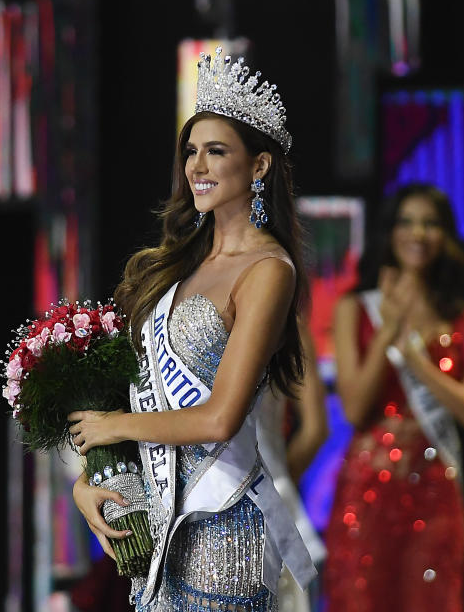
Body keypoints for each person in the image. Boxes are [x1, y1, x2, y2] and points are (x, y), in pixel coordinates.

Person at [67, 48, 317, 611]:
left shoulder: (268, 271)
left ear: (259, 166)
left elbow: (220, 417)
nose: (197, 166)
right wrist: (90, 480)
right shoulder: (173, 265)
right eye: (191, 152)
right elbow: (131, 388)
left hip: (222, 531)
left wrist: (113, 426)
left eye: (216, 151)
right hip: (156, 528)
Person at [323, 184, 464, 611]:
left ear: (446, 236)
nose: (418, 233)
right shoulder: (355, 309)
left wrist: (416, 358)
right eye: (406, 222)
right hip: (366, 493)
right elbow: (356, 409)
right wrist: (387, 331)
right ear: (389, 232)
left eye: (430, 223)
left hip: (437, 495)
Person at [255, 318, 328, 611]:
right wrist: (279, 481)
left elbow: (315, 430)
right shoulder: (284, 320)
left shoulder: (176, 308)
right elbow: (316, 429)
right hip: (270, 499)